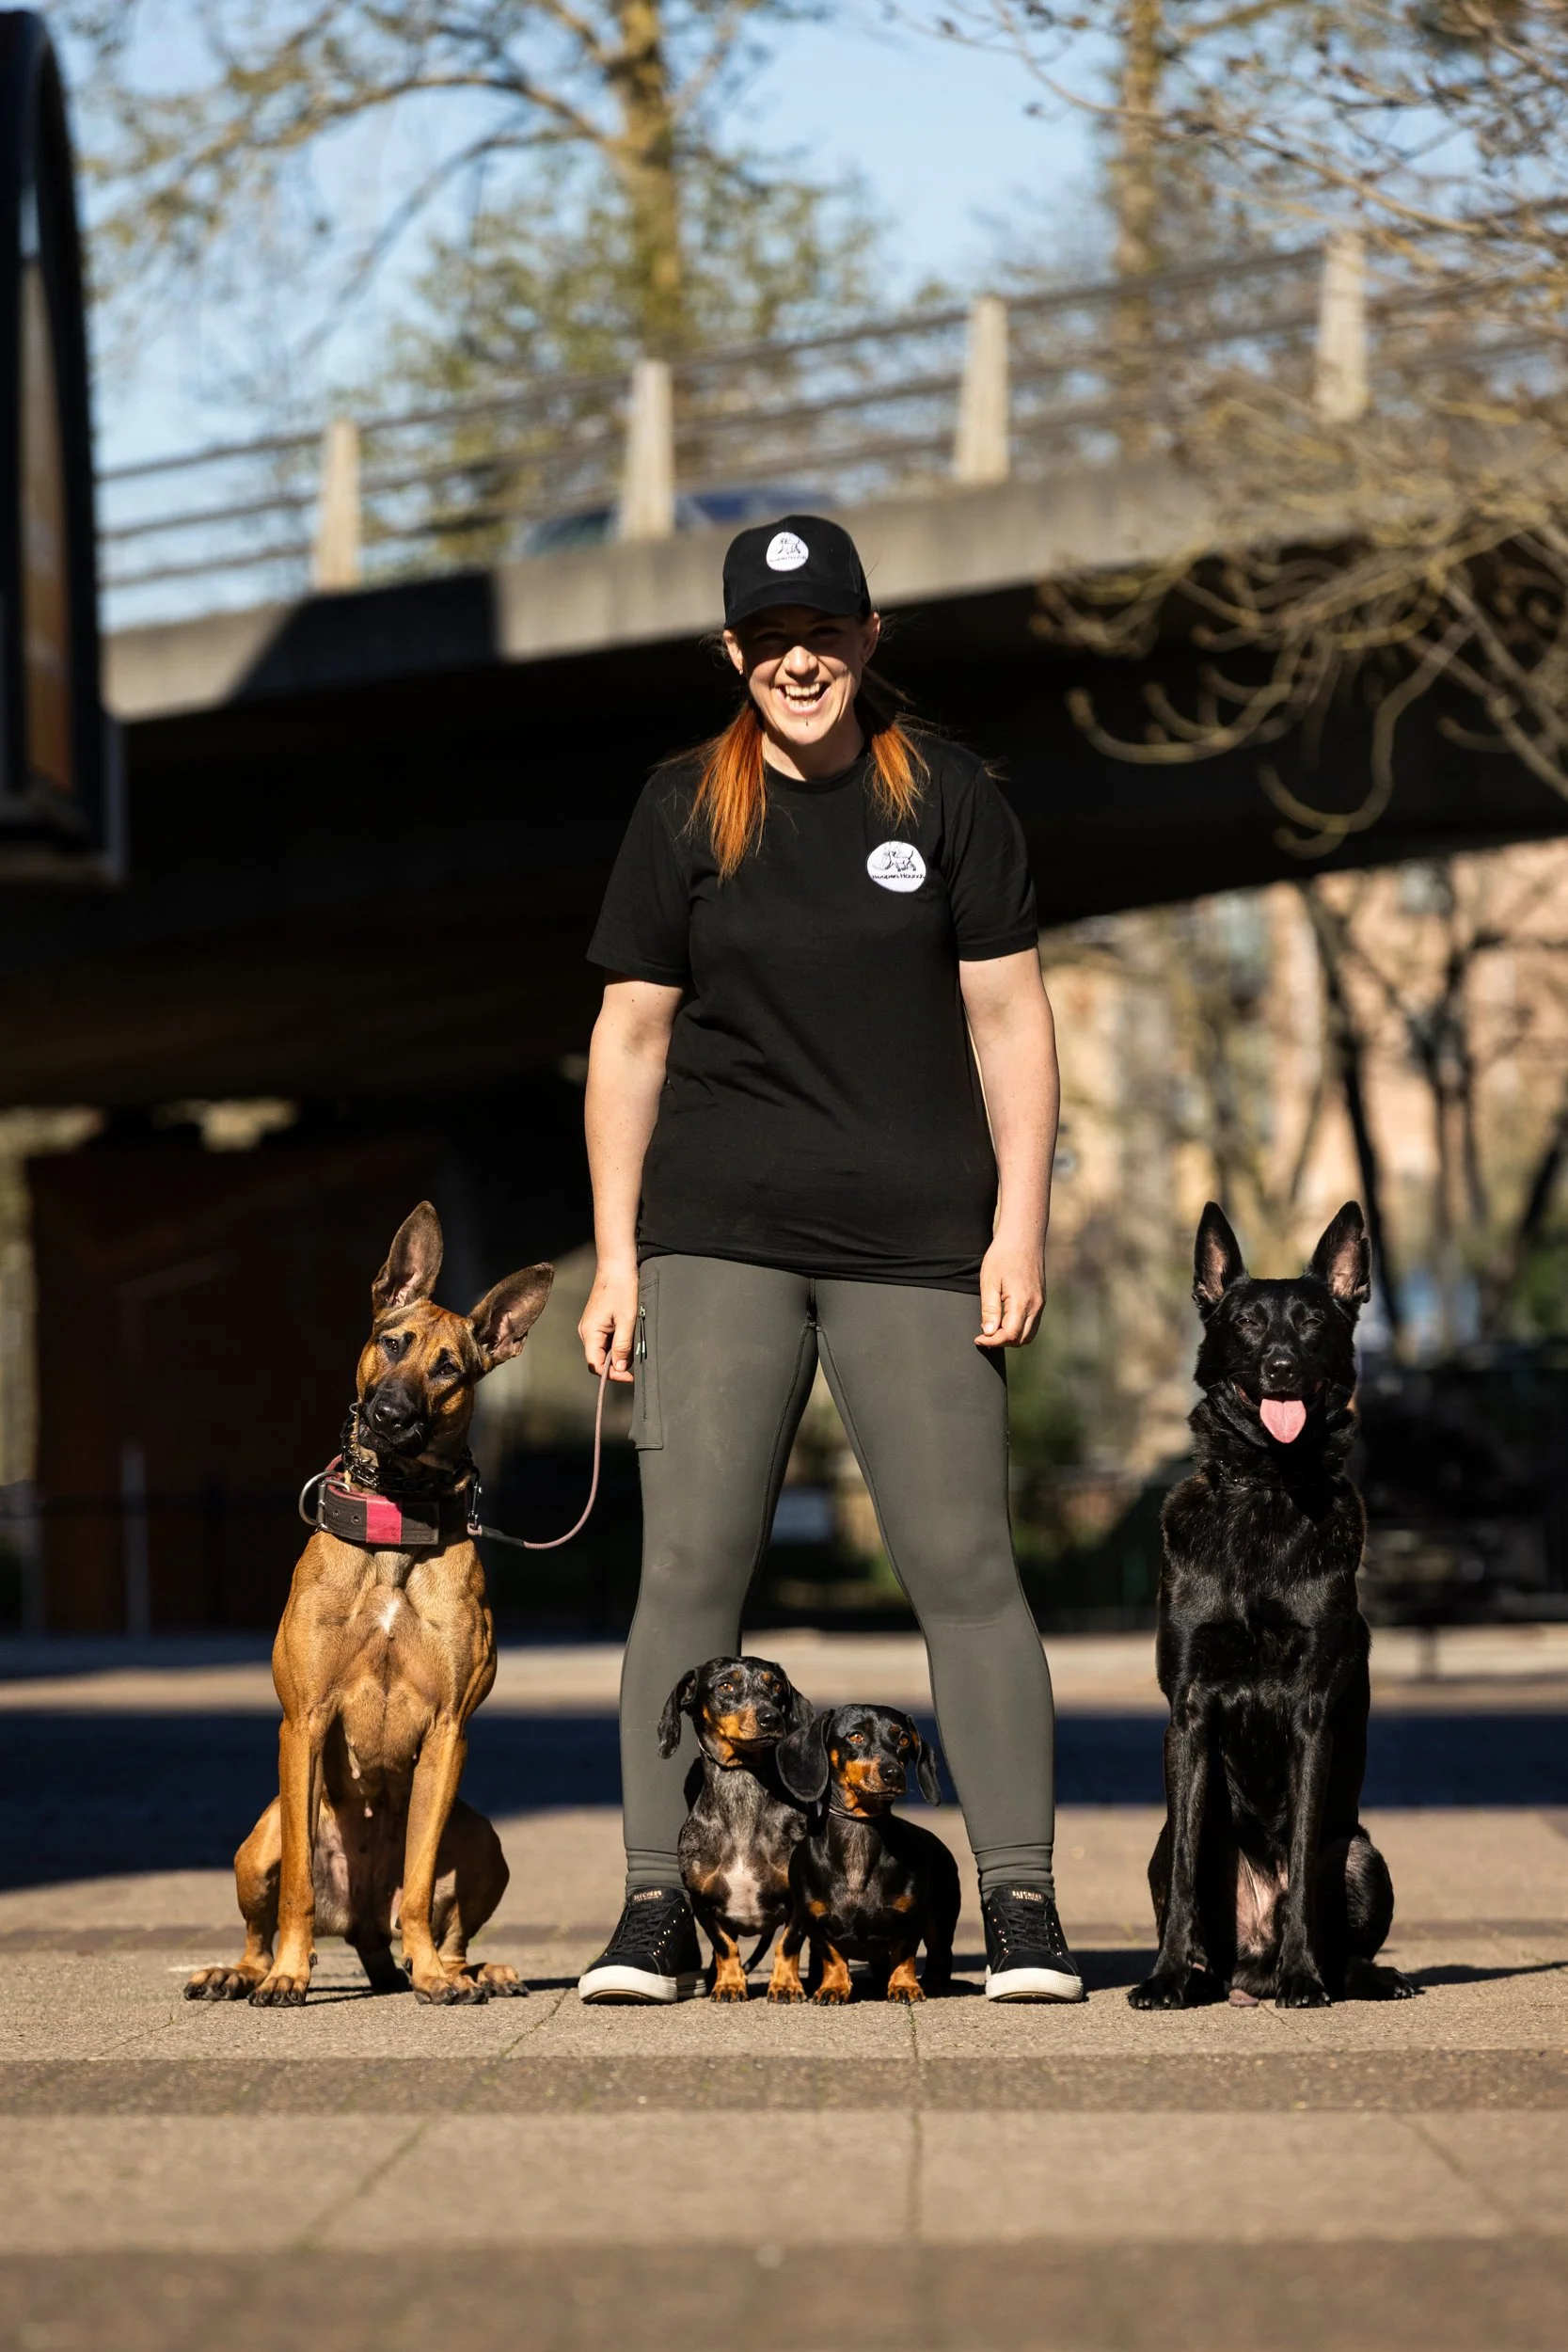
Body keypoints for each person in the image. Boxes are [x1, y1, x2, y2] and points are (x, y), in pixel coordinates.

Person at [574, 515, 1082, 2005]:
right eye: (769, 638)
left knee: (966, 1570)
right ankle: (657, 1910)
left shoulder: (951, 803)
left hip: (921, 1245)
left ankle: (1022, 1907)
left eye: (826, 631)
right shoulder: (682, 810)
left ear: (870, 640)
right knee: (685, 1571)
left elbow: (1010, 1022)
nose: (799, 659)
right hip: (717, 1237)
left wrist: (1018, 1225)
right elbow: (628, 1040)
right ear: (734, 656)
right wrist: (616, 1260)